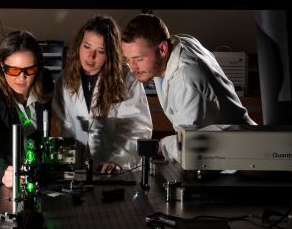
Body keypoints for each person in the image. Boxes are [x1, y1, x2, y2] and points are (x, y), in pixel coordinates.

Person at [122, 14, 255, 162]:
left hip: (243, 161)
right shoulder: (180, 42)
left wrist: (163, 144)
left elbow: (187, 149)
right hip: (225, 150)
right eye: (128, 59)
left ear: (163, 49)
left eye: (139, 59)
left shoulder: (187, 83)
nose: (132, 69)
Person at [53, 15, 153, 174]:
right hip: (80, 171)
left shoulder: (127, 78)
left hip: (117, 171)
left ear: (111, 53)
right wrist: (64, 171)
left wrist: (117, 161)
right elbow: (66, 128)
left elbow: (135, 128)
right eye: (86, 47)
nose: (90, 57)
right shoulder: (63, 80)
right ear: (79, 44)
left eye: (100, 51)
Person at [0, 30, 54, 186]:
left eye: (29, 70)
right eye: (14, 70)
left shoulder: (44, 81)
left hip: (31, 173)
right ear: (1, 67)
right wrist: (3, 172)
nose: (21, 78)